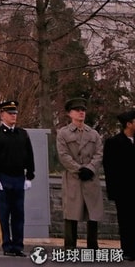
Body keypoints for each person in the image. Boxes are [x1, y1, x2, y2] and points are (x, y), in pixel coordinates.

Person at [0, 100, 35, 257]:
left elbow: (29, 155)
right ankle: (6, 245)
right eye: (10, 113)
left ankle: (18, 245)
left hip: (19, 177)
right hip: (3, 178)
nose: (13, 116)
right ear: (2, 114)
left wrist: (29, 175)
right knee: (4, 214)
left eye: (15, 113)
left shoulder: (22, 133)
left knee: (19, 214)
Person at [56, 97, 104, 250]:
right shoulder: (63, 133)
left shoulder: (94, 134)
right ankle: (70, 247)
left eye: (83, 110)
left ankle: (93, 246)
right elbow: (63, 155)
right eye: (77, 110)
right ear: (70, 114)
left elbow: (99, 154)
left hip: (90, 178)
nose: (81, 112)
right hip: (73, 178)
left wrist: (90, 169)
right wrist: (79, 169)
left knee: (93, 214)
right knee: (71, 214)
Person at [103, 109, 135, 261]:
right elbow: (110, 169)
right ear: (129, 124)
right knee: (126, 221)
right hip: (124, 190)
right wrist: (113, 191)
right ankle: (128, 250)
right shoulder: (114, 143)